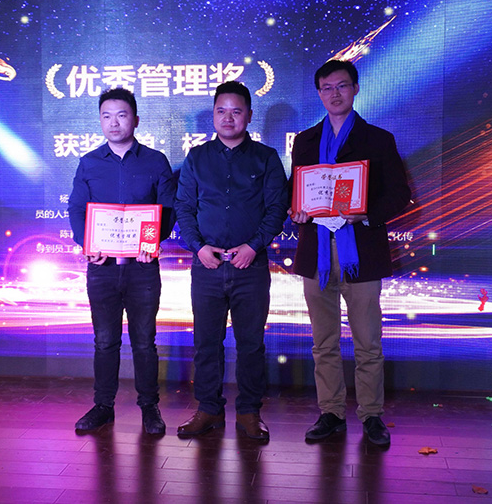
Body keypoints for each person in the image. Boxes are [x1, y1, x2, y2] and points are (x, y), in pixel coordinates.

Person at [289, 60, 411, 446]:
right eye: (327, 87)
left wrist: (366, 214)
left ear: (356, 88)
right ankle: (331, 412)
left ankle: (372, 415)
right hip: (317, 253)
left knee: (368, 342)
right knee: (323, 342)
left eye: (342, 85)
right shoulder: (305, 141)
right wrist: (296, 209)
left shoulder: (378, 139)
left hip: (361, 250)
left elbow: (400, 195)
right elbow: (297, 191)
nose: (335, 94)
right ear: (319, 93)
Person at [175, 81, 288, 441]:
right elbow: (183, 208)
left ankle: (250, 412)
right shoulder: (196, 158)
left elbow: (276, 209)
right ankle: (208, 409)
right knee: (206, 343)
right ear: (213, 115)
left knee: (250, 344)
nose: (228, 117)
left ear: (249, 116)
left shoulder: (266, 158)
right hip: (206, 266)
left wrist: (253, 246)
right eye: (221, 110)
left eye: (236, 111)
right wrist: (198, 247)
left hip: (250, 267)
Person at [68, 87, 176, 435]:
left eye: (121, 115)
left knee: (144, 341)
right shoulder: (89, 163)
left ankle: (149, 407)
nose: (114, 123)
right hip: (101, 268)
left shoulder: (155, 161)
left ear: (136, 119)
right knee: (104, 341)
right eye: (106, 116)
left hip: (142, 268)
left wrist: (151, 242)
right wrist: (87, 244)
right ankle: (103, 406)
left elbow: (168, 208)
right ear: (100, 121)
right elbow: (76, 208)